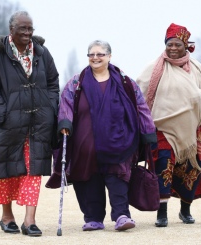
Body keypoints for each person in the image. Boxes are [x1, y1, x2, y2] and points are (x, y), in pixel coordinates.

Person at [47, 40, 157, 232]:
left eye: (100, 54)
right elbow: (66, 104)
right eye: (91, 54)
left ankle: (122, 215)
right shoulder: (77, 82)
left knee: (118, 176)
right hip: (85, 143)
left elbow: (140, 105)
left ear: (109, 56)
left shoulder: (125, 81)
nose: (95, 58)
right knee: (88, 178)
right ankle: (93, 217)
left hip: (118, 141)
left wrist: (148, 130)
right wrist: (65, 124)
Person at [0, 11, 59, 236]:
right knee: (8, 169)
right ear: (11, 30)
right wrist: (2, 115)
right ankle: (7, 216)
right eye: (22, 29)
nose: (27, 33)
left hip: (38, 123)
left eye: (30, 29)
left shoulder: (43, 54)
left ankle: (29, 220)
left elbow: (53, 82)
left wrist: (50, 108)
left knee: (33, 170)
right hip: (9, 124)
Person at [136, 23, 201, 227]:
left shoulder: (197, 68)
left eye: (177, 44)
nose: (173, 48)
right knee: (163, 165)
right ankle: (162, 213)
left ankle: (185, 210)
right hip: (162, 127)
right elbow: (138, 94)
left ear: (186, 46)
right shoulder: (153, 68)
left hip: (191, 129)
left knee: (192, 168)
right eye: (169, 44)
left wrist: (199, 96)